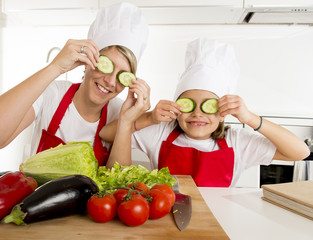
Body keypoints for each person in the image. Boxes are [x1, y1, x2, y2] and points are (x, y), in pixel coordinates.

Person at [102, 37, 310, 187]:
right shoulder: (160, 132)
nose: (198, 114)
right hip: (165, 216)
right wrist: (148, 117)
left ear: (223, 112)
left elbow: (301, 152)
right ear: (177, 108)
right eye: (188, 104)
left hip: (219, 222)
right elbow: (106, 134)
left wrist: (251, 118)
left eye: (208, 106)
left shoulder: (237, 141)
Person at [0, 2, 150, 168]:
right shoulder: (53, 93)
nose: (110, 81)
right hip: (40, 194)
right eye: (106, 65)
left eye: (122, 76)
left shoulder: (120, 112)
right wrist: (54, 67)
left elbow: (119, 186)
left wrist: (126, 122)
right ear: (87, 61)